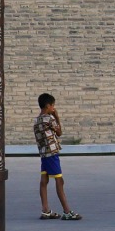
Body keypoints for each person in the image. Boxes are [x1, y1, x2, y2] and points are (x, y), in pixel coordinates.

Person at [33, 92, 80, 221]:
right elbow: (59, 132)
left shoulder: (36, 120)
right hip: (52, 154)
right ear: (48, 106)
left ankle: (46, 210)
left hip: (43, 154)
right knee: (59, 181)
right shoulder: (49, 118)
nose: (54, 108)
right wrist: (57, 117)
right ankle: (67, 211)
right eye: (53, 106)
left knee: (44, 181)